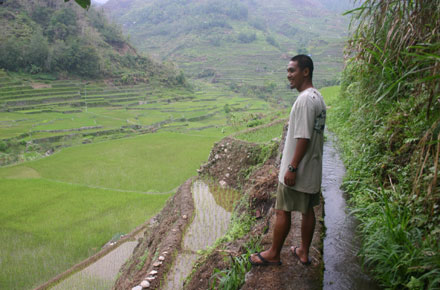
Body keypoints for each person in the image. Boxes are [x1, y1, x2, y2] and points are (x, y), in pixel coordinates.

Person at [249, 54, 326, 266]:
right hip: (311, 169)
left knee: (282, 210)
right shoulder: (317, 97)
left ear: (306, 71)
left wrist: (291, 167)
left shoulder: (303, 101)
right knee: (308, 210)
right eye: (287, 71)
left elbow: (303, 138)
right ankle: (303, 251)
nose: (288, 75)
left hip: (298, 170)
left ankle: (274, 254)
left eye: (292, 71)